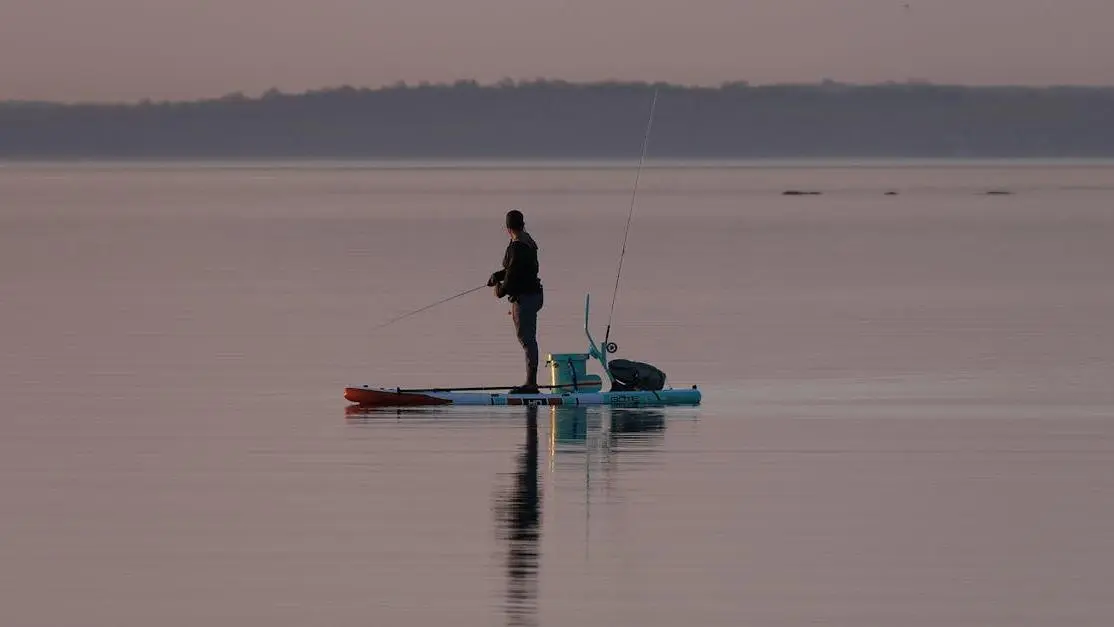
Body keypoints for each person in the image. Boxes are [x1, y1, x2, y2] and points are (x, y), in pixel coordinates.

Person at [488, 209, 544, 394]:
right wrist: (498, 275)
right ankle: (531, 382)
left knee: (527, 340)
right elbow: (517, 269)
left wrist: (498, 288)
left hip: (525, 299)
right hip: (535, 295)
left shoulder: (516, 247)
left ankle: (531, 384)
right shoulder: (528, 242)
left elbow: (510, 283)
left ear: (508, 228)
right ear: (522, 225)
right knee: (529, 339)